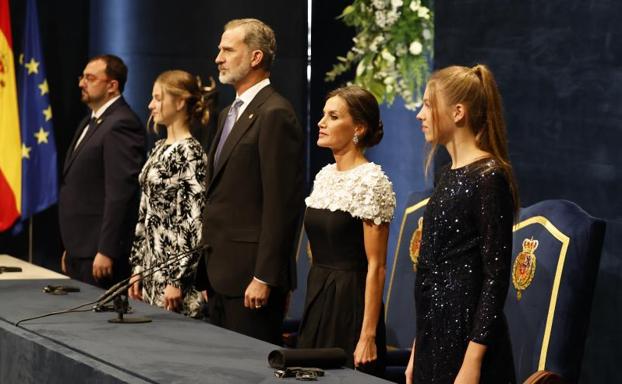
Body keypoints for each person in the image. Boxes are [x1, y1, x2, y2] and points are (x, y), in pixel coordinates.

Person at [406, 64, 519, 384]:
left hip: (467, 341)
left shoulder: (488, 177)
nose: (419, 114)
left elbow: (496, 278)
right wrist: (418, 346)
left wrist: (473, 361)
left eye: (428, 104)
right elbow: (429, 268)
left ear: (457, 112)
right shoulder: (446, 175)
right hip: (435, 338)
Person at [199, 18, 304, 343]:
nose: (218, 57)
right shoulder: (228, 113)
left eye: (228, 50)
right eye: (219, 50)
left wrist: (265, 276)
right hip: (219, 275)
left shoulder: (275, 113)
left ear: (256, 57)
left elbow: (281, 204)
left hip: (250, 280)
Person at [297, 85, 396, 376]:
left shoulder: (372, 181)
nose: (321, 122)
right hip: (318, 297)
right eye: (323, 115)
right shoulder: (324, 176)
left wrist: (367, 335)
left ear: (358, 128)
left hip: (351, 305)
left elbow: (377, 266)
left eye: (333, 116)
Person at [128, 70, 212, 318]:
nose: (150, 105)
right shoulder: (158, 148)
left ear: (179, 101)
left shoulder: (191, 153)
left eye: (157, 98)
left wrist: (177, 279)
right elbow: (145, 213)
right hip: (151, 269)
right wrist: (137, 266)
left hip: (175, 278)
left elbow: (194, 221)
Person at [59, 54, 145, 289]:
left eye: (90, 78)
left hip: (99, 254)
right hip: (81, 249)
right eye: (82, 77)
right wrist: (73, 247)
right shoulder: (91, 121)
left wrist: (106, 249)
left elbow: (120, 193)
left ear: (112, 86)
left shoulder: (121, 124)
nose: (81, 83)